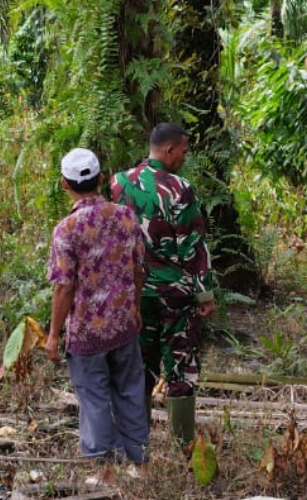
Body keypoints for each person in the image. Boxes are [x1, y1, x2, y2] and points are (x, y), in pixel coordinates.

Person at [45, 148, 149, 474]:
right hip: (123, 325)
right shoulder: (126, 217)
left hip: (87, 333)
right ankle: (139, 463)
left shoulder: (67, 230)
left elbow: (64, 288)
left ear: (65, 184)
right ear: (101, 178)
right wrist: (134, 307)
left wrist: (52, 335)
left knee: (94, 400)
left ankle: (104, 471)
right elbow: (138, 269)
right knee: (130, 391)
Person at [111, 123, 215, 447]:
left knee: (138, 368)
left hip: (134, 295)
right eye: (183, 151)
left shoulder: (118, 183)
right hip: (176, 296)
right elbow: (192, 244)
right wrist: (204, 293)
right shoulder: (180, 188)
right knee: (180, 369)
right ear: (168, 150)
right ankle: (184, 446)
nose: (185, 157)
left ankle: (136, 445)